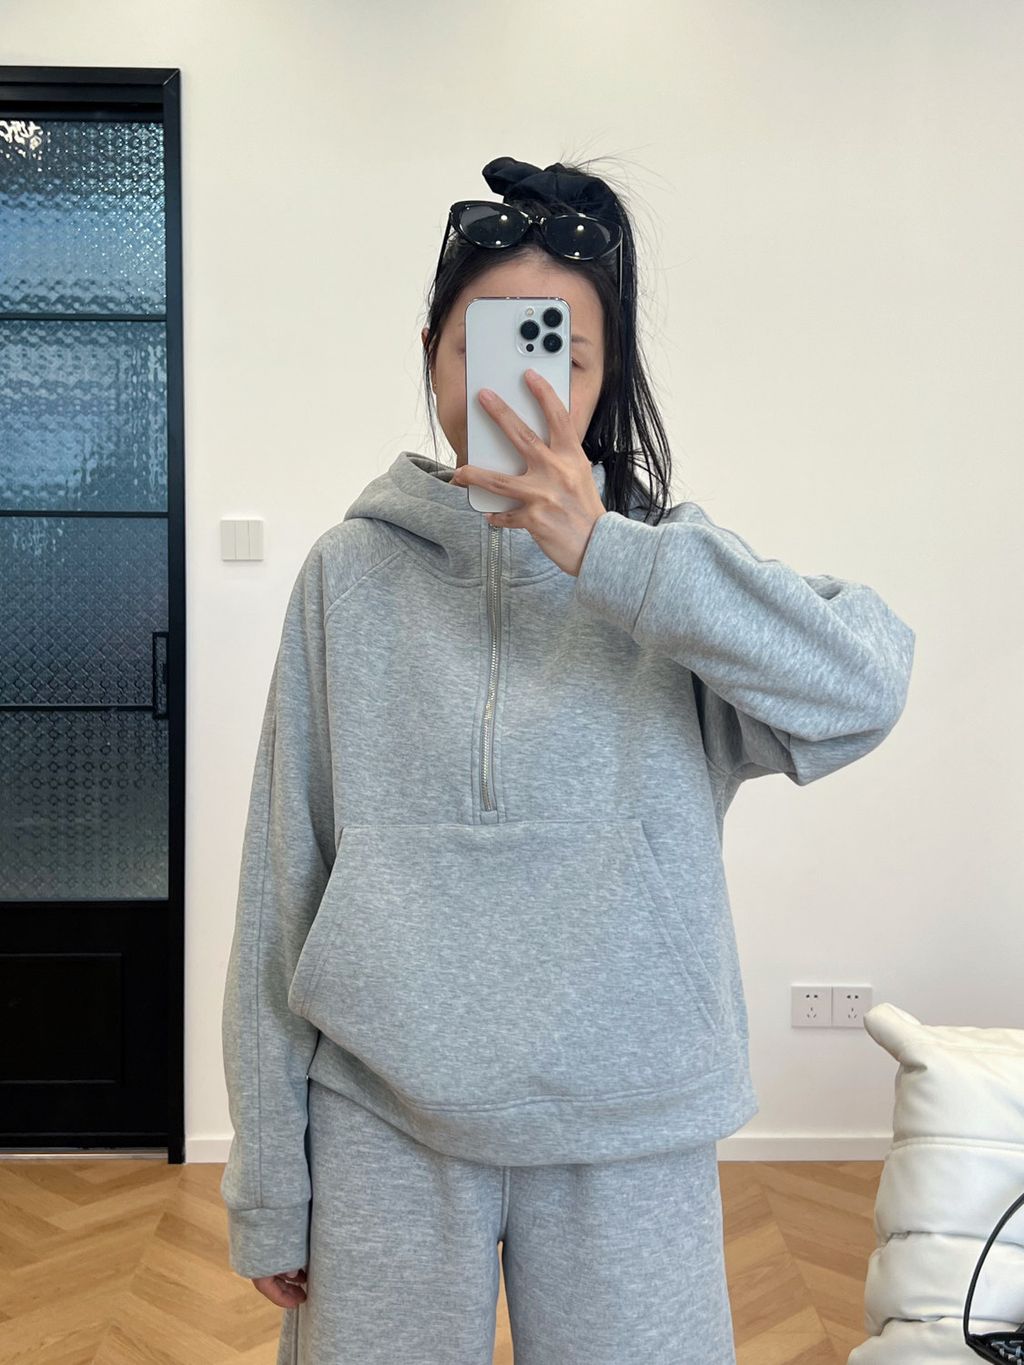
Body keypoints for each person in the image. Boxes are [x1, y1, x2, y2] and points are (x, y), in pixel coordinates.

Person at [219, 155, 916, 1364]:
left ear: (605, 377)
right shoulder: (350, 573)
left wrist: (611, 557)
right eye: (481, 349)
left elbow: (865, 686)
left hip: (630, 1122)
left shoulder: (671, 578)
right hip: (382, 1121)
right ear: (433, 356)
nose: (523, 388)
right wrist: (270, 1176)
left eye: (563, 357)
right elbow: (282, 883)